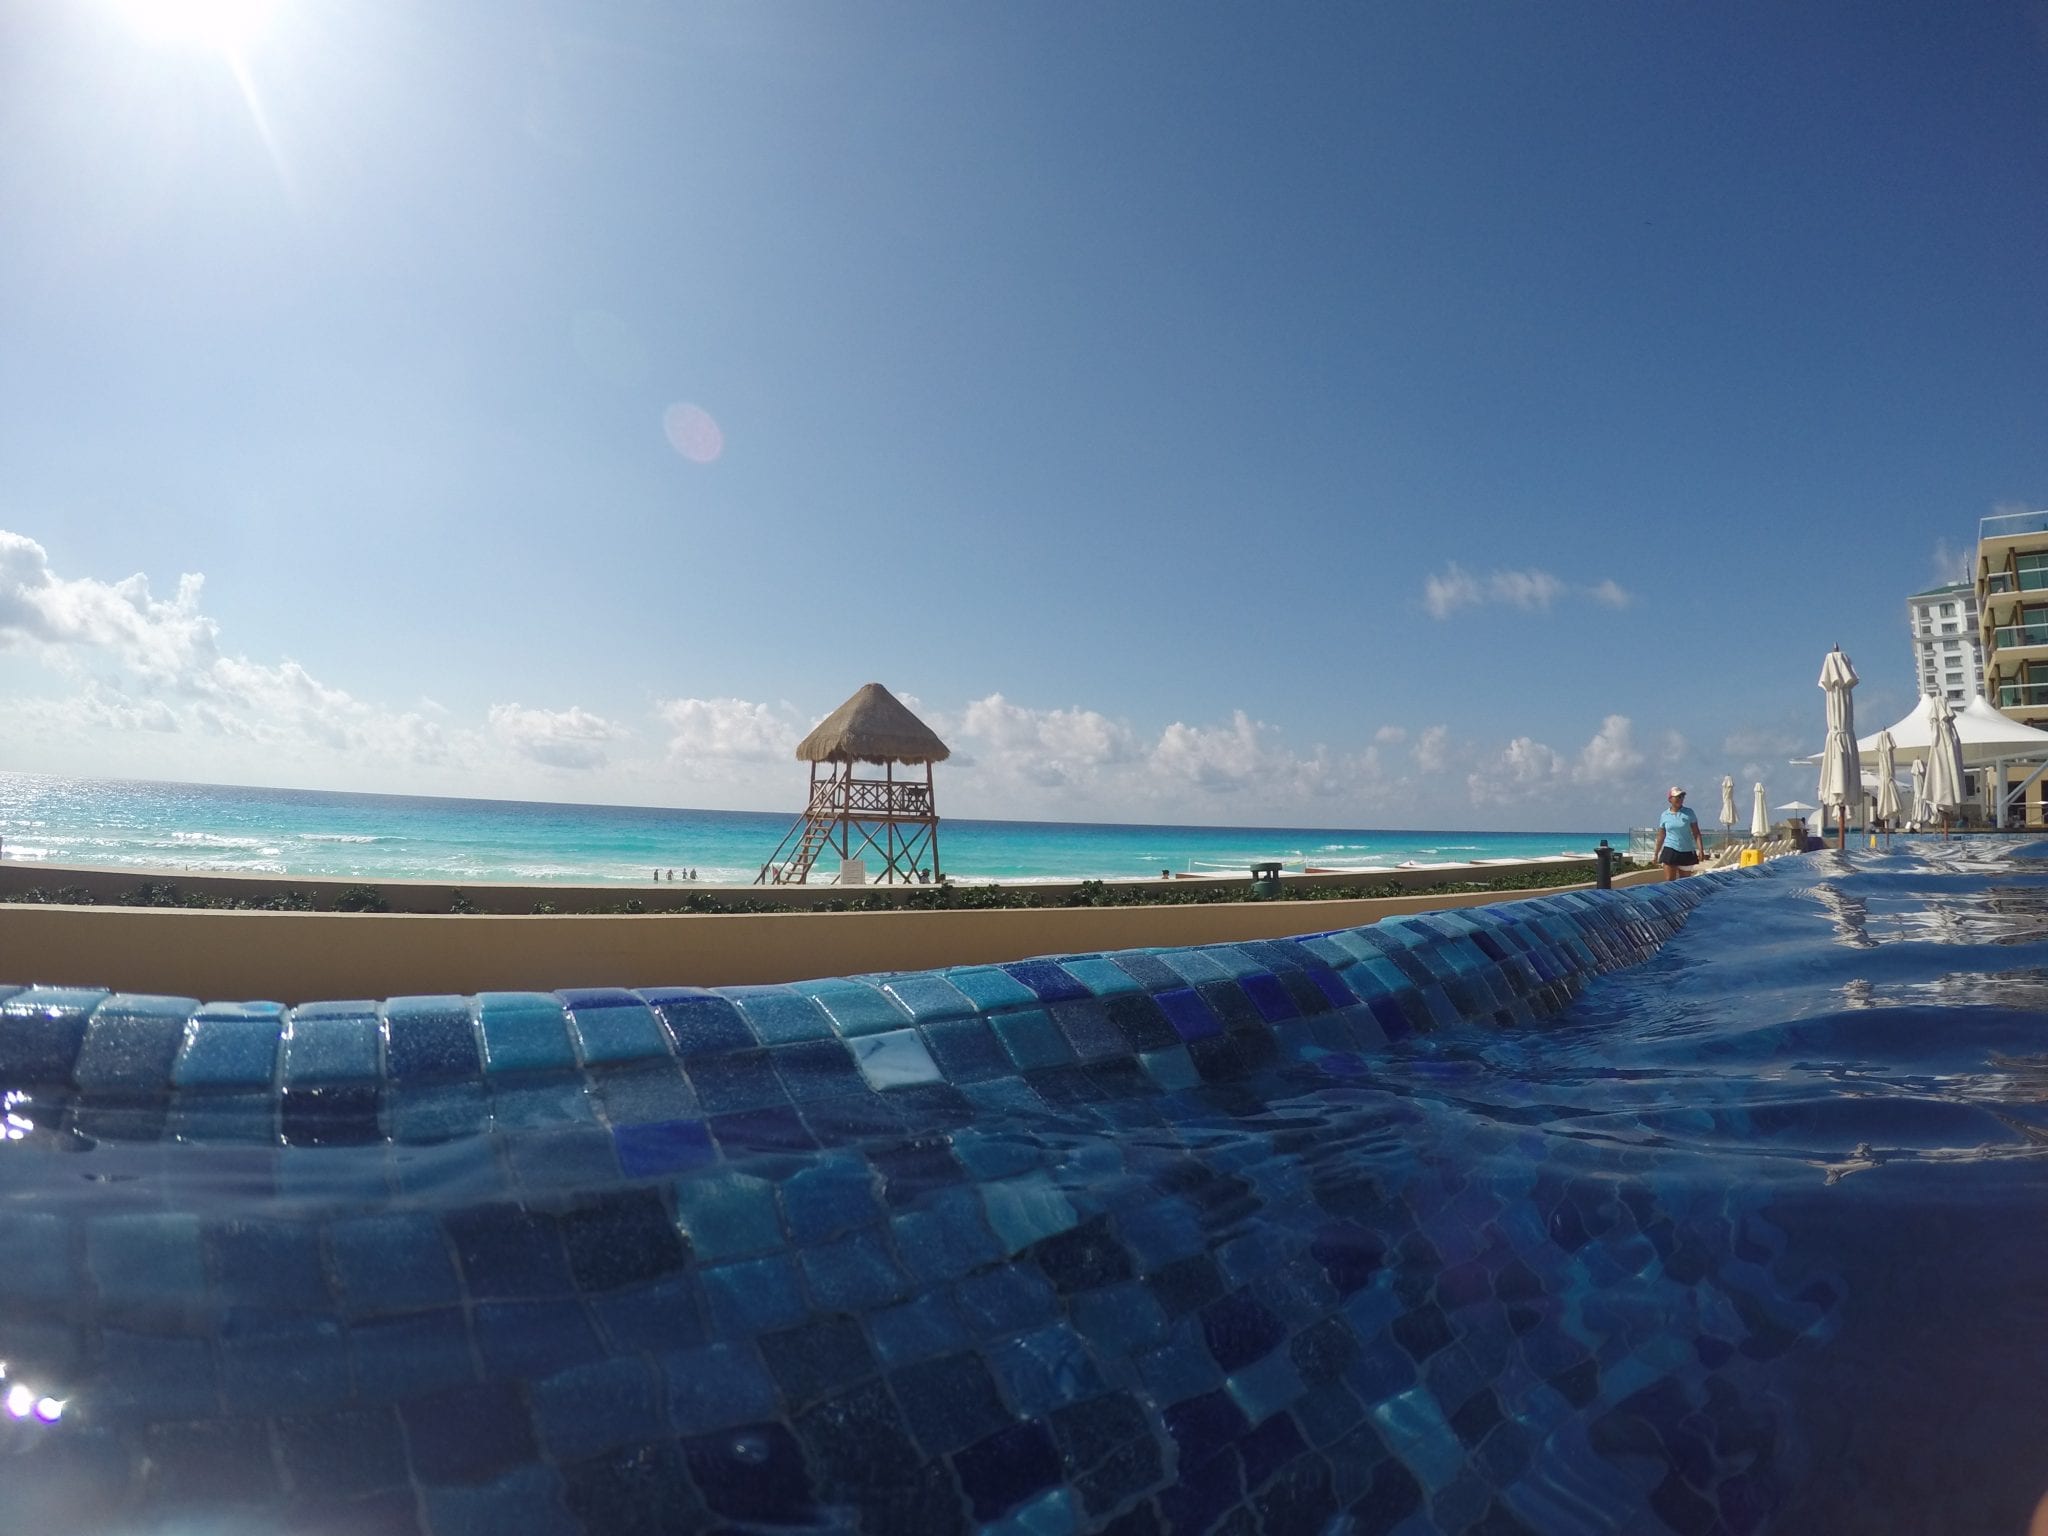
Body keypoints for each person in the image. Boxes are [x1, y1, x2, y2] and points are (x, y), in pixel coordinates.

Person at [1654, 785, 1702, 880]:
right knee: (1670, 881)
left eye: (1682, 797)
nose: (1680, 799)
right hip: (1670, 849)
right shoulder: (1664, 815)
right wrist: (1656, 853)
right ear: (1670, 799)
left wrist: (1701, 850)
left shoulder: (1689, 813)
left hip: (1686, 851)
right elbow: (1661, 835)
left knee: (1684, 882)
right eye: (1678, 797)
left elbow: (1696, 833)